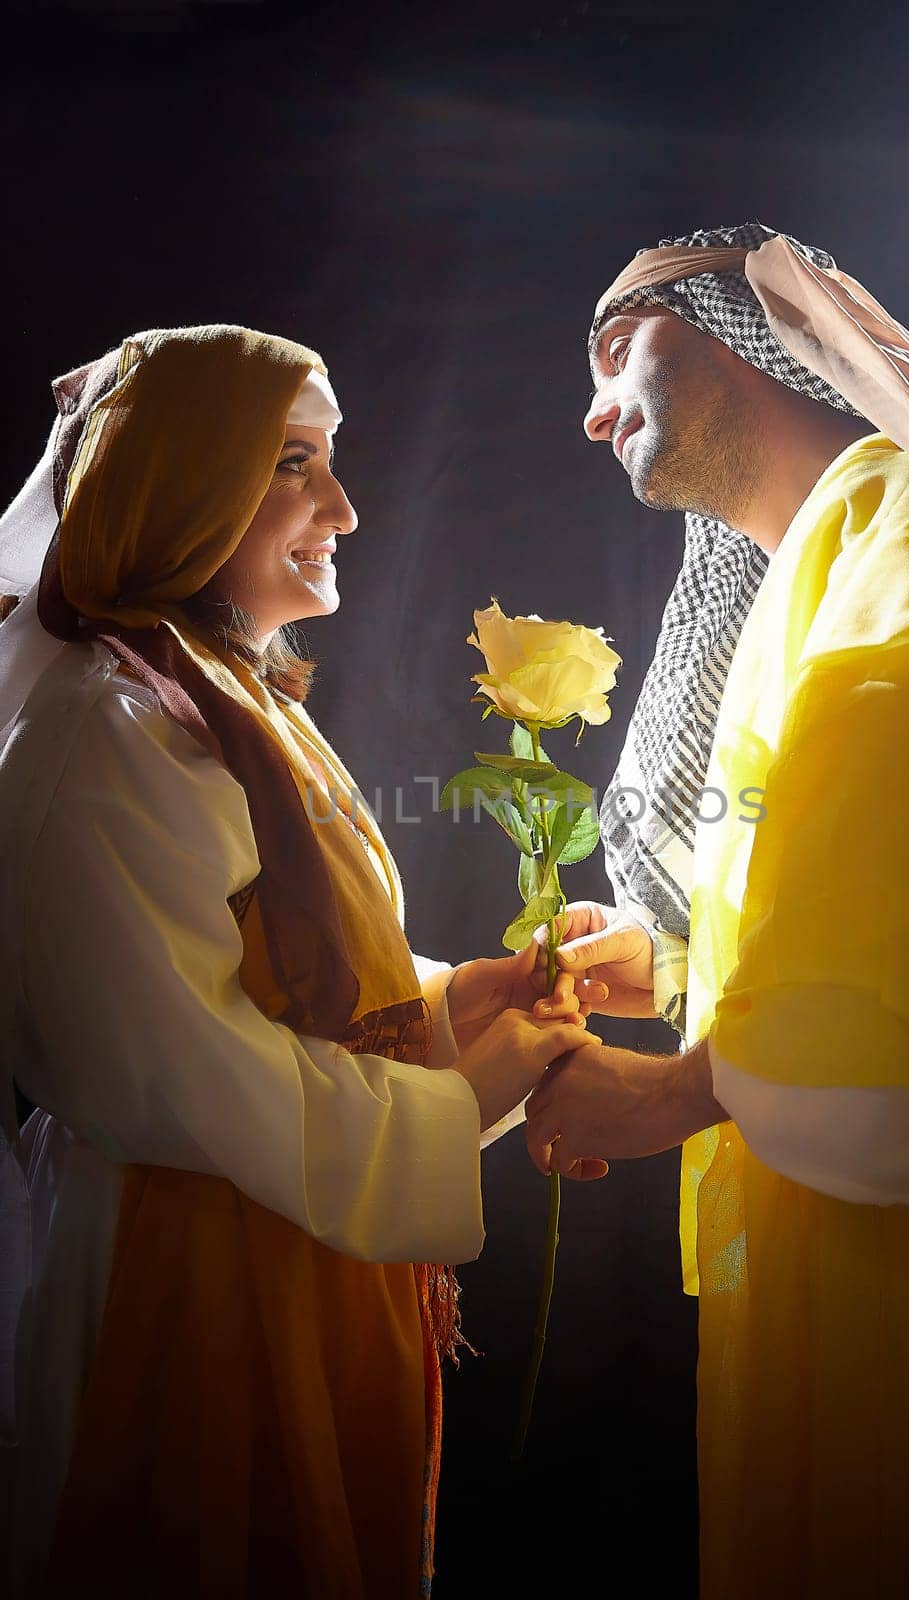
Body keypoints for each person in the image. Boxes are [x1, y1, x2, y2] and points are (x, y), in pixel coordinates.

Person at [0, 325, 601, 1599]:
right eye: (292, 463)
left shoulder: (226, 696)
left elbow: (289, 980)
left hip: (281, 1238)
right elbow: (177, 1075)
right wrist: (463, 1095)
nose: (344, 506)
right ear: (178, 480)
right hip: (187, 1285)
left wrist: (455, 999)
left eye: (329, 460)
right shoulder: (105, 735)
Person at [527, 224, 909, 1596]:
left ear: (729, 325)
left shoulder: (899, 518)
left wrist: (672, 1095)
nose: (592, 413)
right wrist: (677, 965)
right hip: (831, 1248)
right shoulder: (825, 556)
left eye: (610, 351)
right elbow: (842, 882)